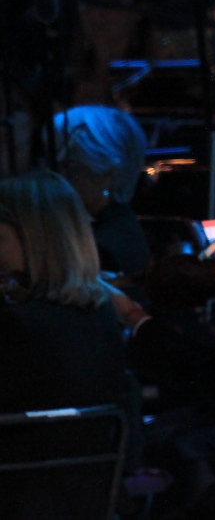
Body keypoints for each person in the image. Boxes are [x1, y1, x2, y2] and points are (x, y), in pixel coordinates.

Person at [0, 170, 130, 519]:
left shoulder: (18, 324)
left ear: (33, 240)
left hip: (23, 495)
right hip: (88, 495)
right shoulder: (101, 312)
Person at [53, 105, 151, 276]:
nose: (57, 176)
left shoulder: (107, 246)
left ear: (108, 173)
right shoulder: (102, 226)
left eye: (69, 166)